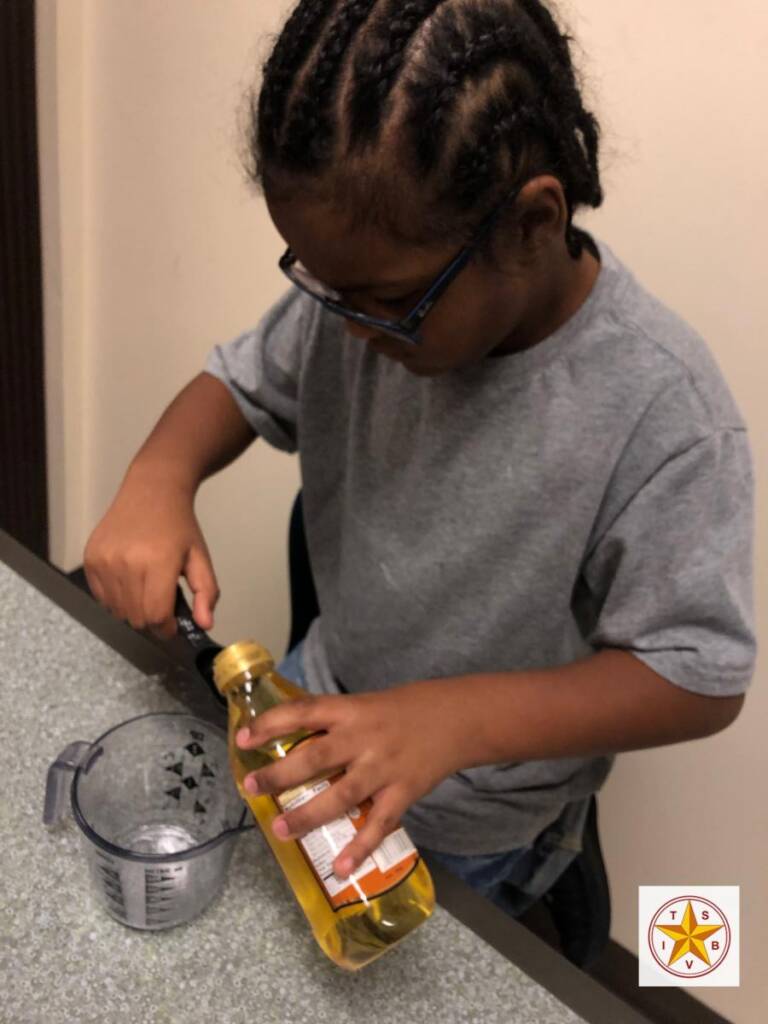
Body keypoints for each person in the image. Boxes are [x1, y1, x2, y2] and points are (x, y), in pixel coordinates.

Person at [84, 0, 755, 923]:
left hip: (479, 824)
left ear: (533, 221)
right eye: (327, 289)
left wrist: (451, 720)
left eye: (385, 302)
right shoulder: (356, 306)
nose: (350, 325)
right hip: (320, 719)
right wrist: (156, 482)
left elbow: (698, 675)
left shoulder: (662, 411)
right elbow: (238, 387)